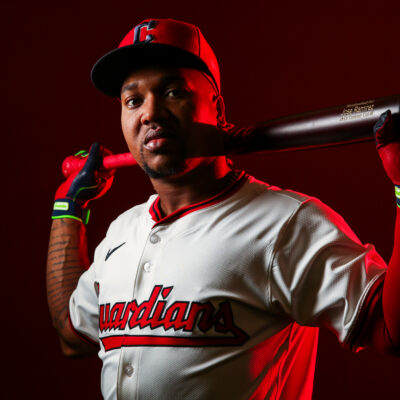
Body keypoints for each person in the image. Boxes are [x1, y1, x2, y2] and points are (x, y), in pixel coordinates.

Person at [47, 18, 400, 400]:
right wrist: (68, 209)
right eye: (134, 100)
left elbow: (389, 331)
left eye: (173, 91)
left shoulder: (283, 224)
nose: (150, 112)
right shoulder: (121, 232)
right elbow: (73, 334)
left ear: (216, 107)